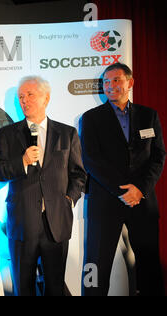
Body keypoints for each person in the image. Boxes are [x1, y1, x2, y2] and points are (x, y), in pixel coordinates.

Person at [0, 76, 86, 296]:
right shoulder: (8, 134)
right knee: (23, 287)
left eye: (30, 95)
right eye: (21, 97)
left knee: (55, 286)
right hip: (22, 222)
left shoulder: (67, 133)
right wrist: (22, 162)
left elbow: (79, 175)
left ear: (46, 97)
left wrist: (69, 200)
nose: (24, 100)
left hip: (56, 223)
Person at [80, 63, 166, 296]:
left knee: (149, 262)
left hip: (142, 202)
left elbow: (159, 156)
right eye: (106, 82)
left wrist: (140, 189)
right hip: (105, 202)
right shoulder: (90, 118)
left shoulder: (149, 115)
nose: (111, 86)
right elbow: (91, 160)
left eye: (116, 80)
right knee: (96, 263)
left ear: (130, 82)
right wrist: (123, 191)